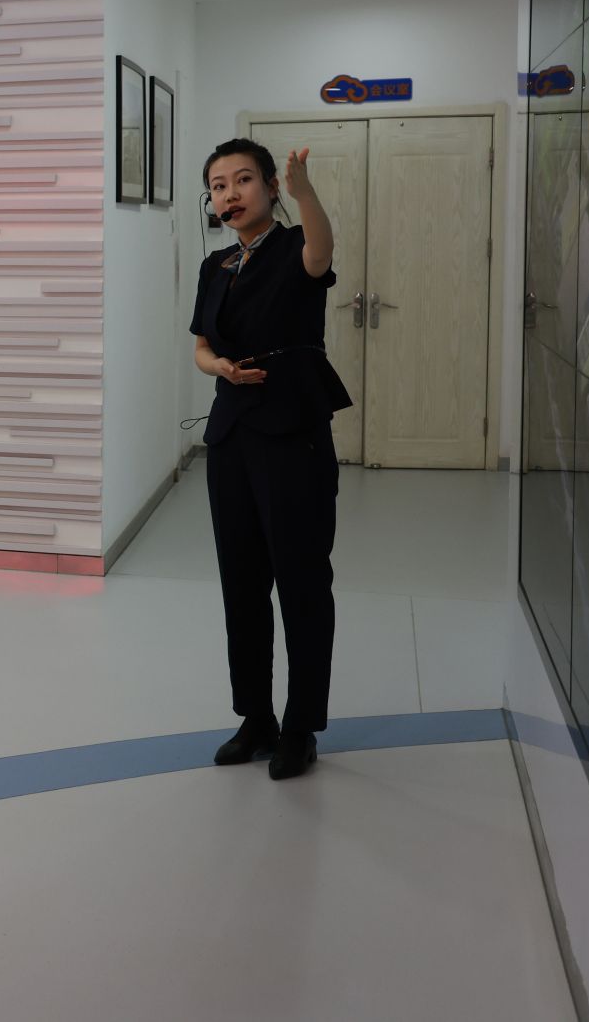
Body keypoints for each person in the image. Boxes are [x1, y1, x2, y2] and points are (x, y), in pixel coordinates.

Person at [190, 138, 351, 781]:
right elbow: (201, 348)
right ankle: (255, 717)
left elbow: (321, 252)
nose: (230, 194)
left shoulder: (294, 247)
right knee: (242, 582)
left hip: (292, 433)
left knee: (302, 582)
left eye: (243, 180)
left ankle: (301, 726)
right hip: (231, 434)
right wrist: (220, 368)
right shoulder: (216, 264)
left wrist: (306, 191)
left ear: (270, 187)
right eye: (218, 185)